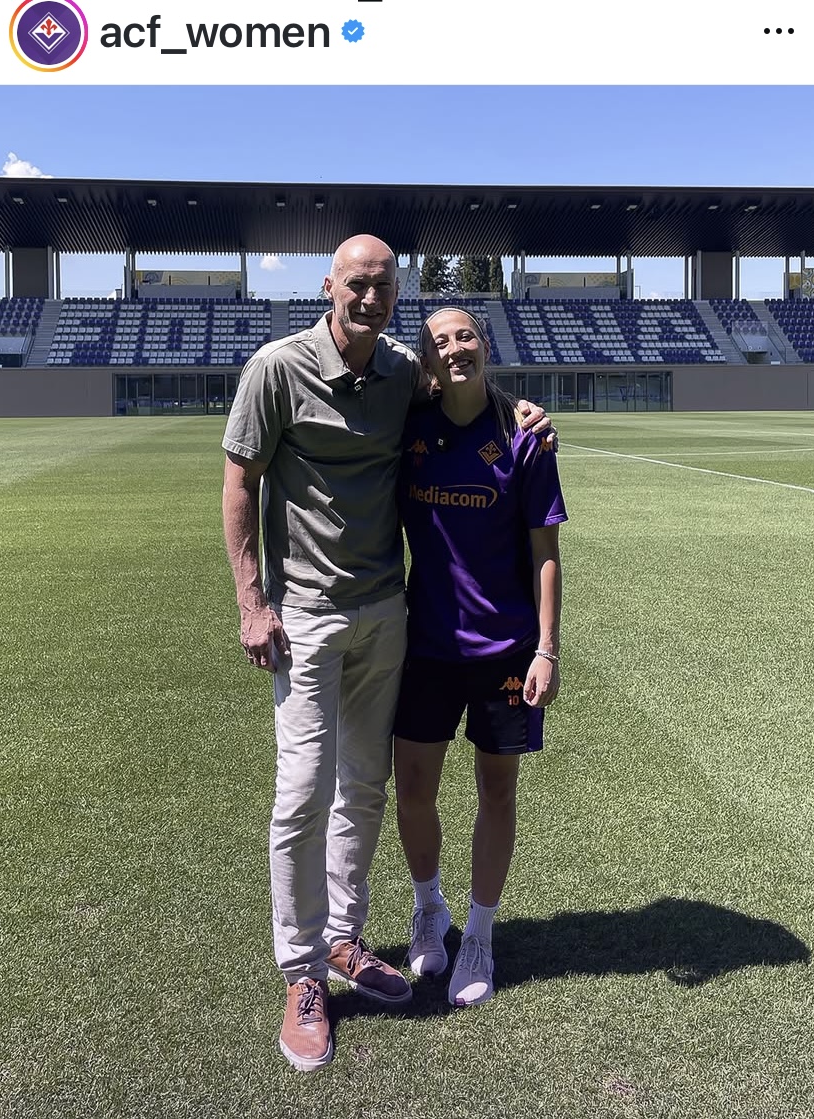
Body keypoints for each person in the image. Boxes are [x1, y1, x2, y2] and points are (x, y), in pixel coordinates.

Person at [221, 236, 555, 1072]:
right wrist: (252, 601)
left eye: (383, 286)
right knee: (303, 790)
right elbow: (239, 484)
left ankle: (344, 937)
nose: (368, 297)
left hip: (386, 613)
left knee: (364, 789)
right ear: (328, 285)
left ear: (396, 296)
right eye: (356, 283)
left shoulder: (405, 369)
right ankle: (301, 971)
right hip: (305, 617)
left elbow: (465, 386)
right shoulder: (276, 368)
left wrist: (523, 410)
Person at [392, 306, 567, 1009]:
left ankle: (481, 936)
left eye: (466, 335)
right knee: (413, 789)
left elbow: (546, 552)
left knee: (498, 790)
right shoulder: (409, 429)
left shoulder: (525, 437)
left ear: (485, 345)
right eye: (440, 341)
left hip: (507, 649)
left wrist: (547, 648)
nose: (455, 347)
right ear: (428, 363)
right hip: (425, 643)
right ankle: (429, 908)